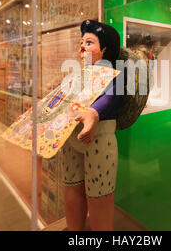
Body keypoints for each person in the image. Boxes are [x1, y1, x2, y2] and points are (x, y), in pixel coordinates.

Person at [62, 20, 120, 231]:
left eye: (89, 42)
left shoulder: (113, 75)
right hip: (72, 136)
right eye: (81, 42)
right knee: (71, 189)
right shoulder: (76, 76)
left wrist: (94, 114)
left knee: (99, 196)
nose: (82, 47)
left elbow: (111, 97)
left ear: (105, 49)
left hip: (99, 138)